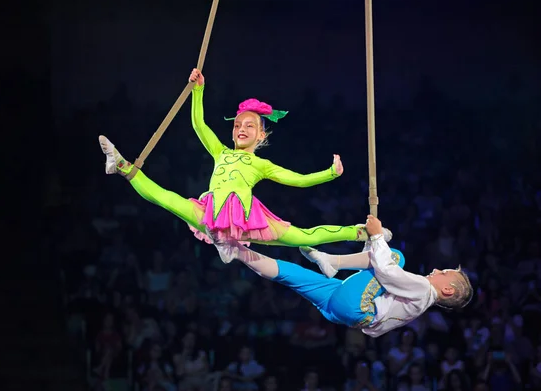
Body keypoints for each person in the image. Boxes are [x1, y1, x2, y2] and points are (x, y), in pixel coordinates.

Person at [98, 69, 390, 251]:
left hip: (248, 221)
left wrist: (329, 173)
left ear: (261, 135)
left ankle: (360, 232)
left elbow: (297, 180)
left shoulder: (261, 165)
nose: (241, 128)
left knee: (303, 237)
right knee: (165, 198)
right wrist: (198, 91)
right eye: (238, 124)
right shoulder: (221, 152)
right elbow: (199, 124)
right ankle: (122, 165)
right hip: (211, 214)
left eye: (249, 125)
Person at [208, 215, 473, 336]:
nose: (437, 270)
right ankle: (236, 251)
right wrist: (373, 244)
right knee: (292, 274)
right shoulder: (418, 299)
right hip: (344, 309)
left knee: (396, 257)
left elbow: (387, 272)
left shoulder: (423, 290)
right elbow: (376, 276)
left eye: (444, 272)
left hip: (356, 306)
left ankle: (332, 260)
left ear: (447, 289)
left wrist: (379, 235)